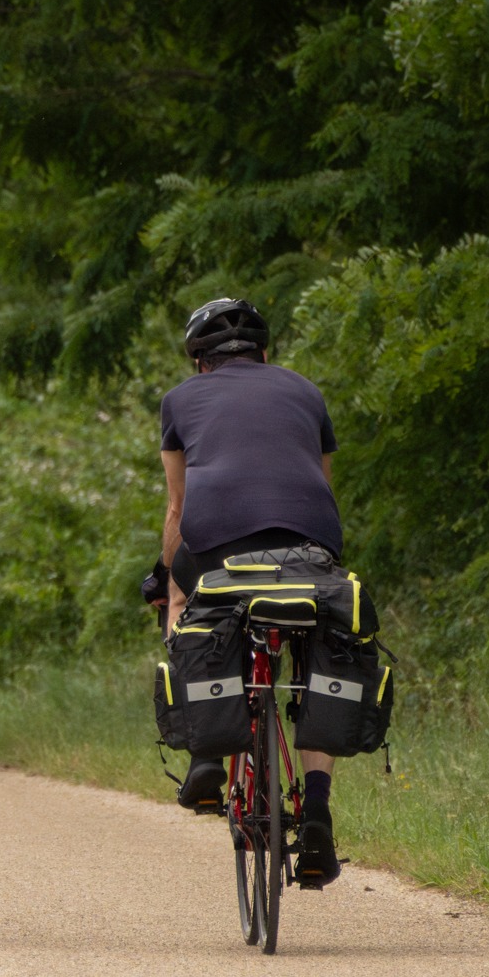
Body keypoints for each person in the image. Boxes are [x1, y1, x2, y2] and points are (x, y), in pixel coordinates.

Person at [159, 296, 345, 886]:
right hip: (311, 550)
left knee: (189, 600)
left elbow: (178, 508)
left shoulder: (180, 401)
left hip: (220, 550)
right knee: (322, 647)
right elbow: (321, 486)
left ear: (199, 364)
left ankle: (206, 756)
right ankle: (316, 811)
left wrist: (163, 578)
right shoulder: (307, 392)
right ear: (267, 354)